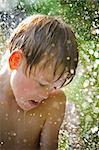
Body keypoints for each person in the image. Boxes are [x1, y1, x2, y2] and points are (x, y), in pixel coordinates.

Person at [0, 14, 79, 150]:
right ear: (15, 61)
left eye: (54, 86)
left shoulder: (53, 103)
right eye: (42, 84)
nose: (46, 94)